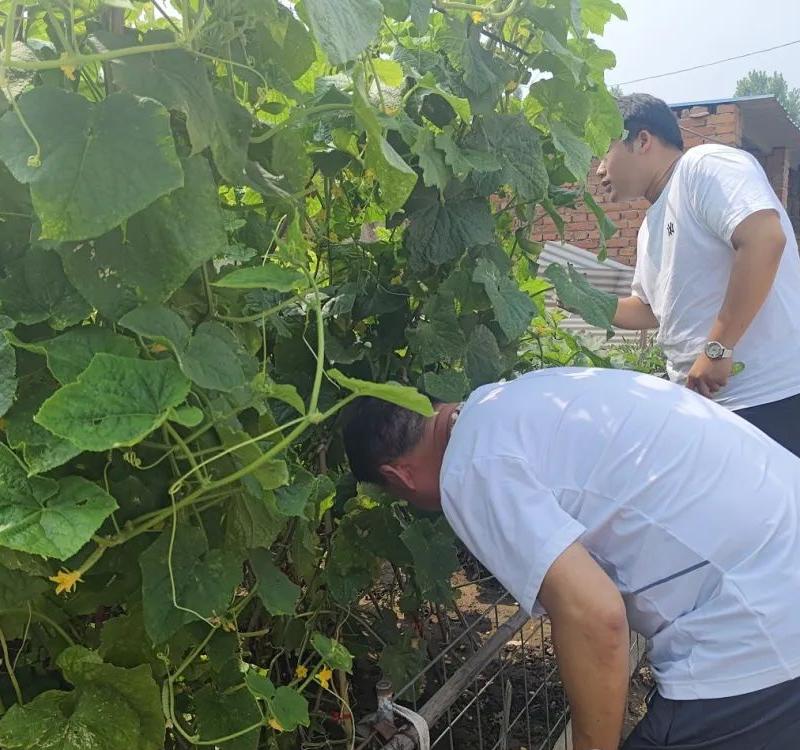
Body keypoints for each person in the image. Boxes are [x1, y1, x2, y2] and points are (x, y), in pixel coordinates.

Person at [343, 367, 800, 750]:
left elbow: (594, 616)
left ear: (396, 475)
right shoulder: (514, 399)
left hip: (759, 619)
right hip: (777, 551)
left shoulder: (471, 468)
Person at [597, 93, 800, 455]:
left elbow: (764, 239)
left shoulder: (705, 165)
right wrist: (583, 298)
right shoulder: (648, 228)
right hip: (711, 406)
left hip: (769, 400)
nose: (598, 169)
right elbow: (648, 309)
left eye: (604, 151)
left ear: (642, 140)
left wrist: (719, 347)